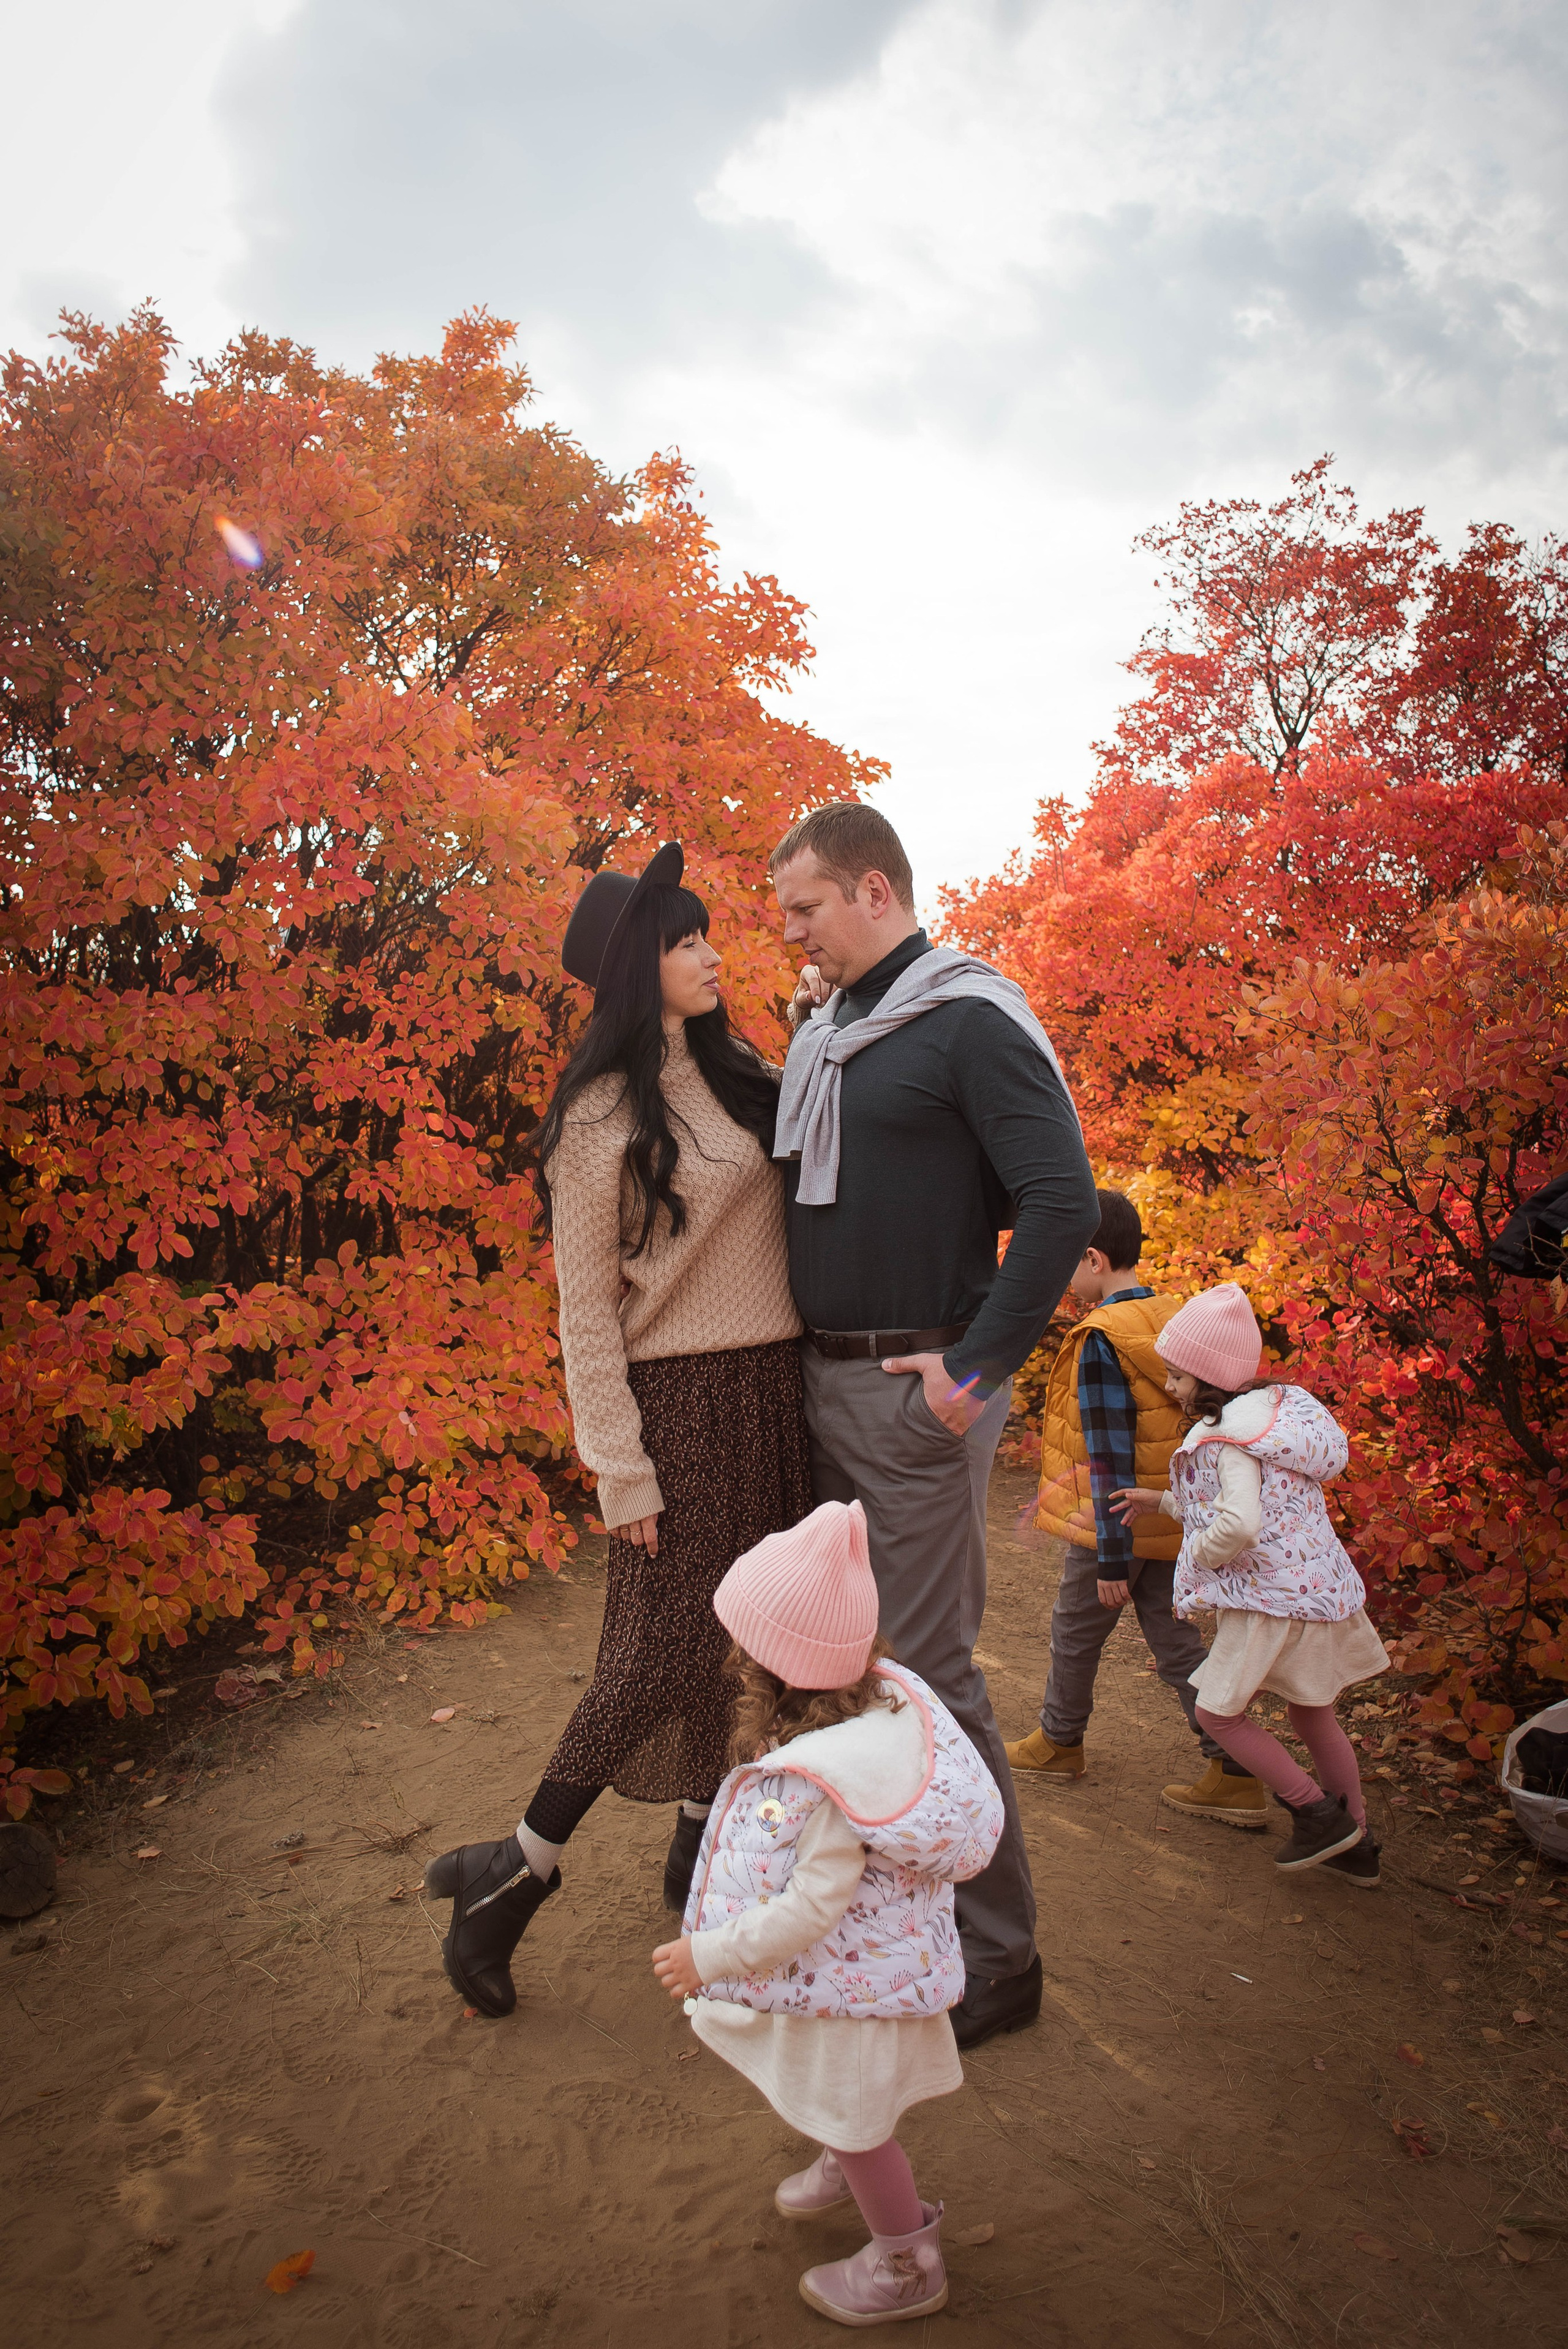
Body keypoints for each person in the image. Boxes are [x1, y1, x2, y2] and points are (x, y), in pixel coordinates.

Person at [424, 843, 813, 2015]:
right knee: (651, 1656)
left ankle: (699, 1844)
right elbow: (584, 1310)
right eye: (684, 941)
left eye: (706, 934)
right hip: (680, 1409)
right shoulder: (598, 1117)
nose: (712, 954)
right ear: (639, 969)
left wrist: (822, 1021)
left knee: (745, 1639)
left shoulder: (741, 1073)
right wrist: (620, 1469)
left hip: (772, 1392)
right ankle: (512, 1875)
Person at [769, 804, 1099, 2048]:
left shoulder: (965, 1016)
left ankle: (1000, 1958)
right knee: (842, 1663)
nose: (791, 933)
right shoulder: (834, 1028)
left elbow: (1060, 1201)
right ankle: (890, 1911)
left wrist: (972, 1371)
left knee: (925, 1672)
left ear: (873, 890)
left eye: (805, 908)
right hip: (818, 1383)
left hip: (911, 1393)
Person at [651, 1498, 1003, 2328]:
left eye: (746, 1642)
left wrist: (711, 1955)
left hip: (855, 1992)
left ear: (772, 1660)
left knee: (859, 2125)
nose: (736, 1655)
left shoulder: (831, 1785)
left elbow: (811, 1906)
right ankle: (846, 2162)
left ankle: (907, 2263)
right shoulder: (877, 1708)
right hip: (864, 1967)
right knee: (845, 2109)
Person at [1110, 1283, 1389, 1883]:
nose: (1171, 1386)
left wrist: (1199, 1555)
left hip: (1268, 1601)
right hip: (1316, 1591)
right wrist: (1162, 1500)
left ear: (1209, 1377)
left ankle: (1316, 1815)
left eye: (1178, 1375)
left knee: (1217, 1715)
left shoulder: (1227, 1440)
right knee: (1313, 1716)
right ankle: (1358, 1841)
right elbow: (1249, 1504)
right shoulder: (1271, 1421)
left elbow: (1237, 1522)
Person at [1006, 1189, 1266, 1825]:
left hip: (1115, 1522)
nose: (1066, 1279)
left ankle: (1059, 1740)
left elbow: (1108, 1452)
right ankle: (1234, 1770)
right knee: (1176, 1644)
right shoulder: (1172, 1319)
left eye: (1070, 1262)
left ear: (1094, 1259)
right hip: (1171, 1514)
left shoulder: (1100, 1338)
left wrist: (1110, 1559)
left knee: (1074, 1632)